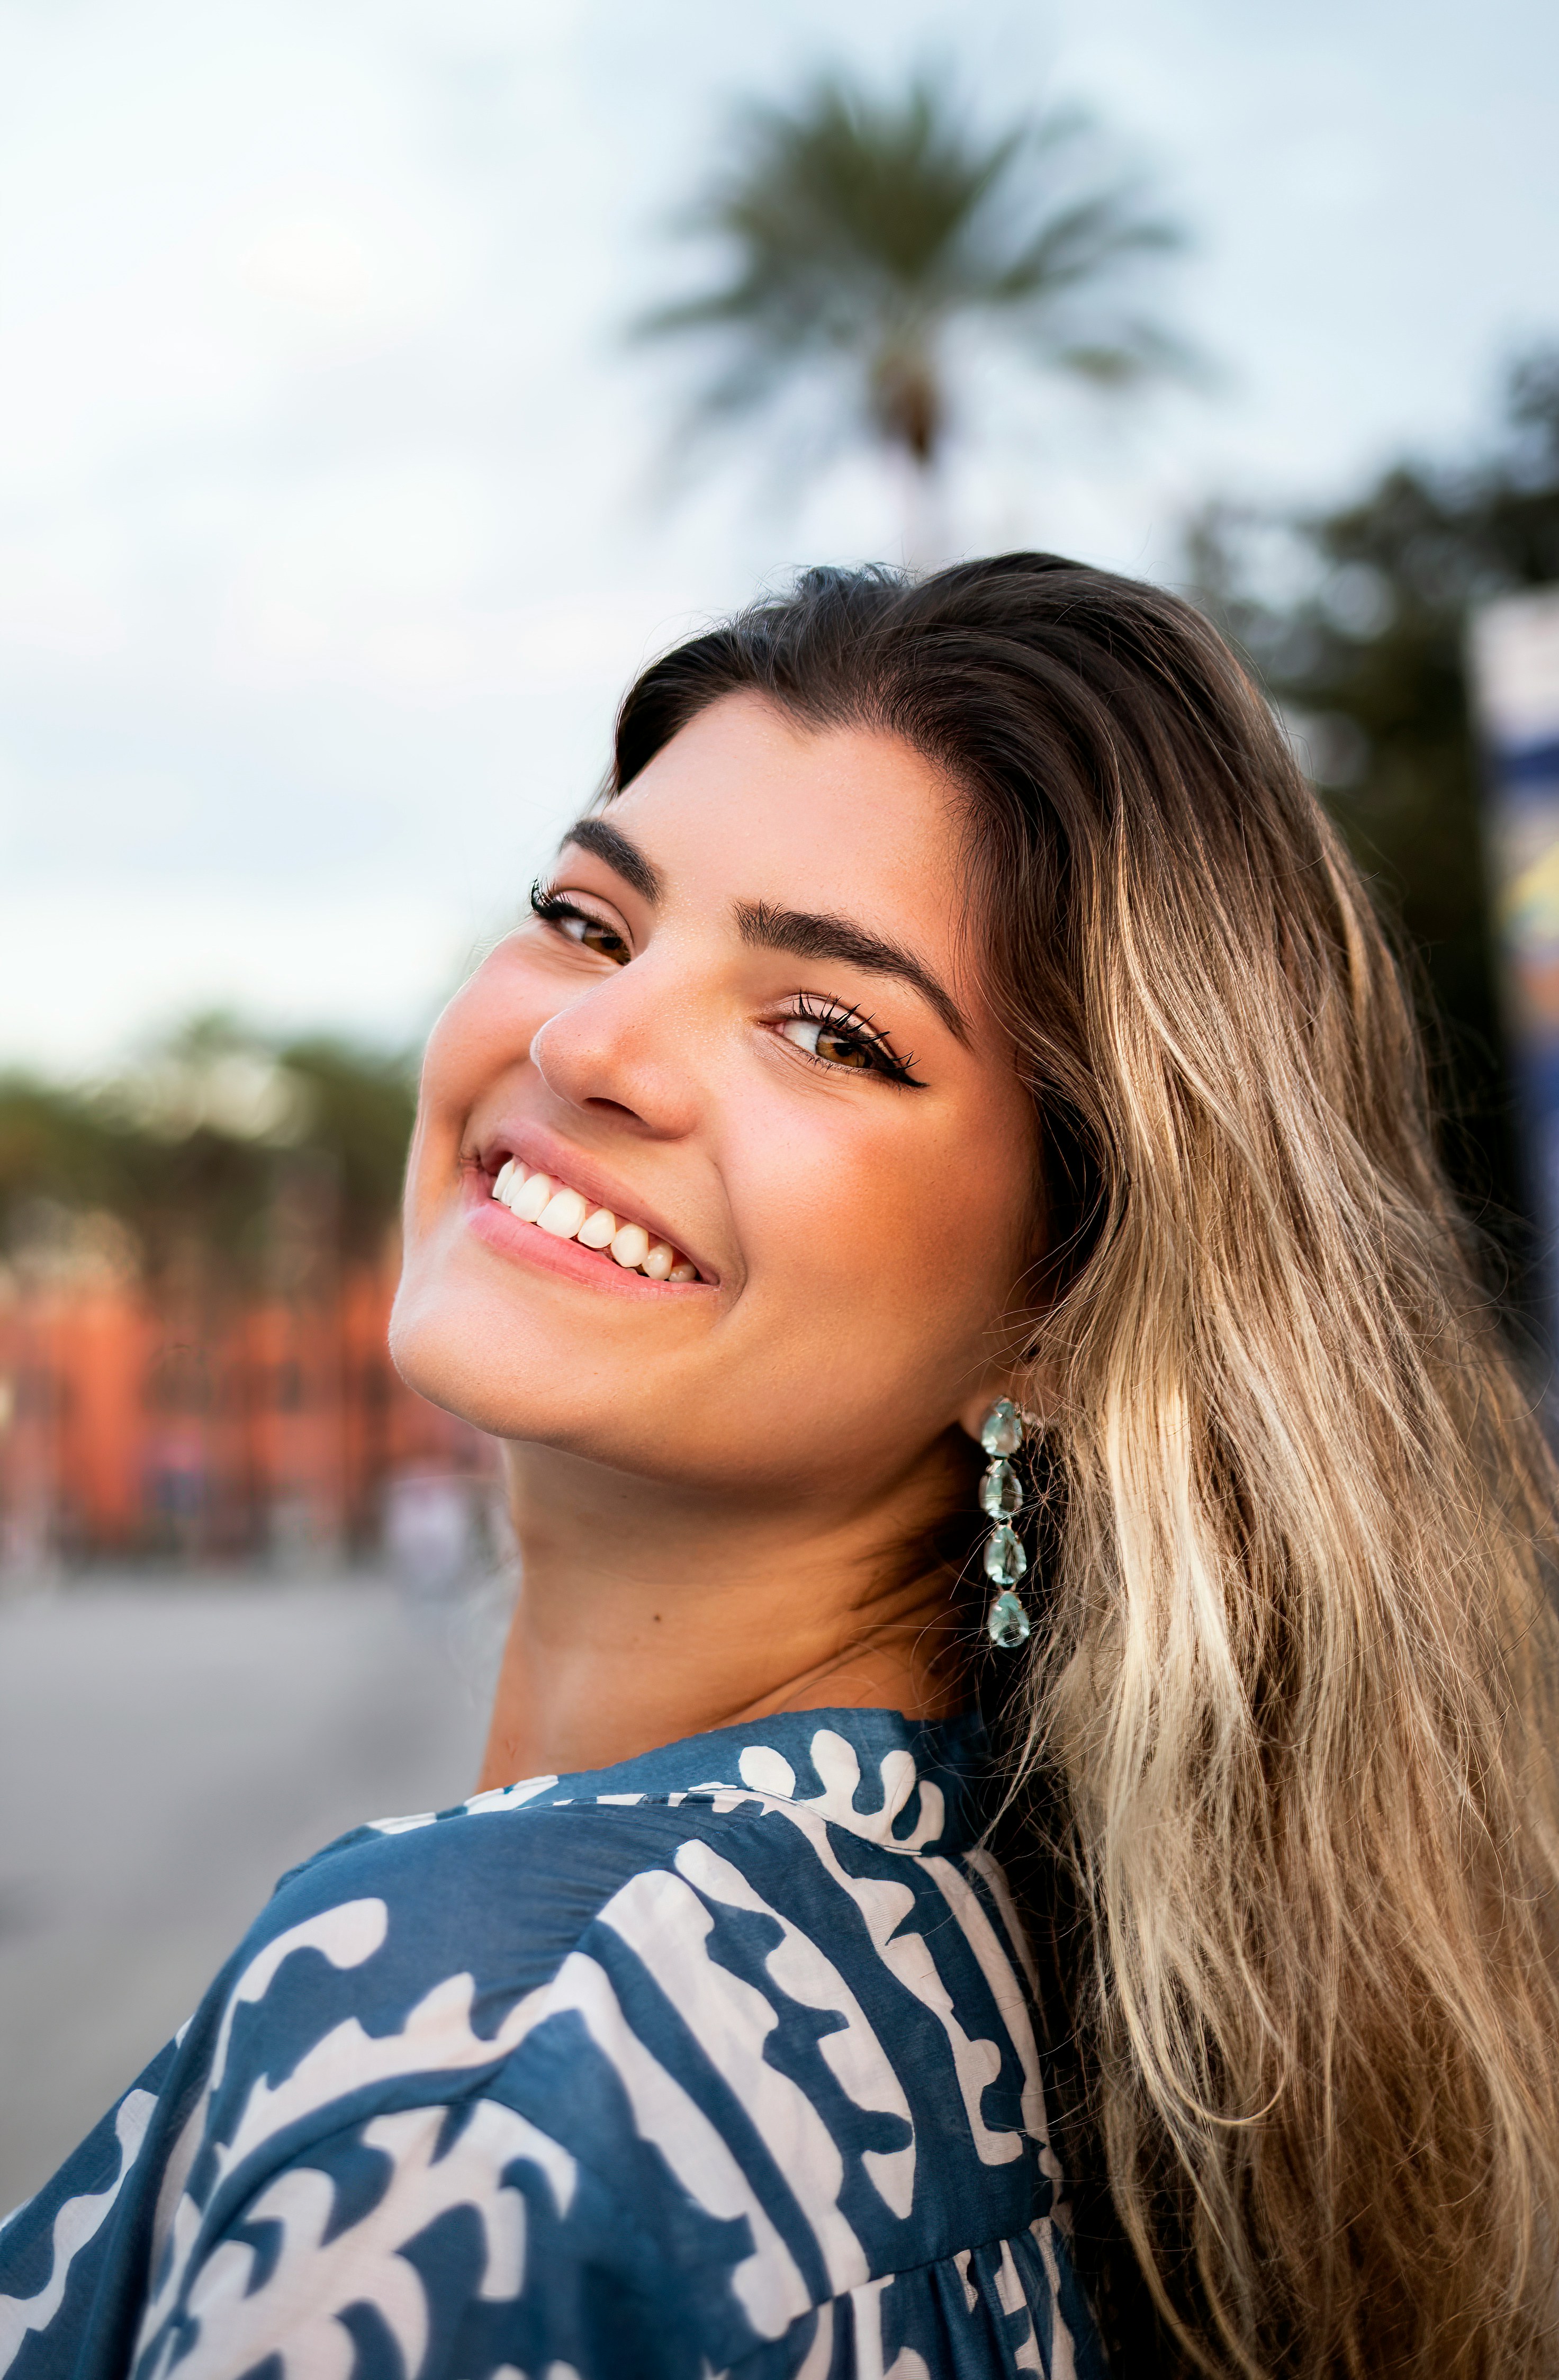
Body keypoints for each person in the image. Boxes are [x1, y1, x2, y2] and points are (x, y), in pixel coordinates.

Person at [4, 556, 1558, 2380]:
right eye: (589, 919)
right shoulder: (1018, 1958)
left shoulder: (495, 2049)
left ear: (1060, 1314)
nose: (586, 1041)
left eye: (827, 1031)